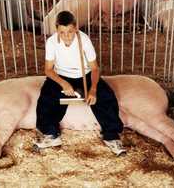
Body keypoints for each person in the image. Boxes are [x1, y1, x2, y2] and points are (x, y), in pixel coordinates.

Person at [34, 10, 126, 156]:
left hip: (85, 75)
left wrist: (93, 89)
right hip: (62, 75)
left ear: (76, 28)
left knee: (106, 96)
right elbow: (48, 70)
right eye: (62, 32)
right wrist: (63, 83)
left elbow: (95, 68)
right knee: (46, 98)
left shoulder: (84, 40)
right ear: (56, 29)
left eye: (70, 31)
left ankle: (112, 136)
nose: (66, 36)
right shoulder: (51, 42)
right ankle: (50, 135)